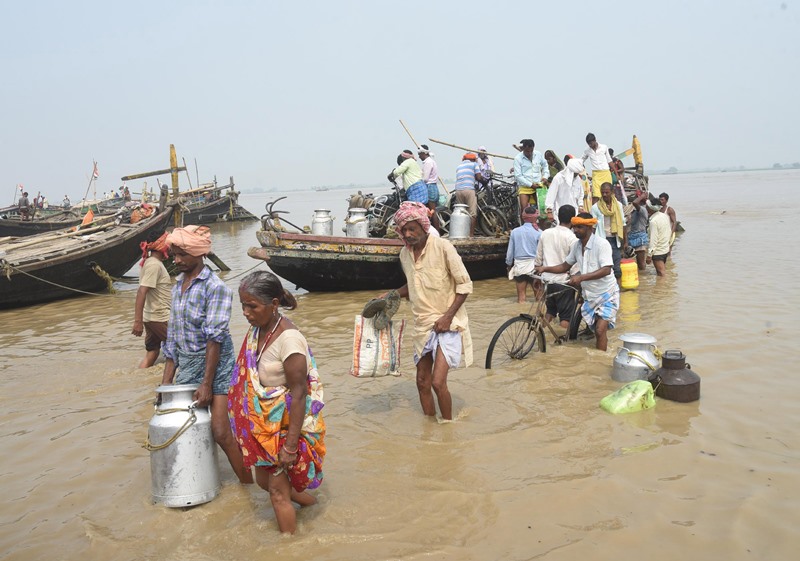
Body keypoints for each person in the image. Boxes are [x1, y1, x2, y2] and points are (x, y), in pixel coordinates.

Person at [228, 271, 326, 534]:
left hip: (284, 427)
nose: (246, 313)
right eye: (243, 305)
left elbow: (299, 392)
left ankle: (290, 547)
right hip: (262, 428)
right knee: (263, 482)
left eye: (252, 306)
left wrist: (291, 446)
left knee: (277, 494)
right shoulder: (258, 331)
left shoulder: (289, 339)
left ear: (273, 304)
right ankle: (312, 504)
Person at [160, 225, 252, 484]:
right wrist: (165, 385)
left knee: (220, 431)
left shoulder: (216, 288)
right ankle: (196, 482)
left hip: (216, 365)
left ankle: (248, 486)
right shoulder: (177, 286)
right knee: (183, 427)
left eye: (181, 255)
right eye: (173, 255)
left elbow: (215, 339)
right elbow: (173, 339)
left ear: (198, 254)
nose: (176, 261)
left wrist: (206, 384)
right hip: (187, 363)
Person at [390, 201, 473, 420]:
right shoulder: (404, 255)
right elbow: (414, 284)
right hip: (422, 323)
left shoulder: (443, 247)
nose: (408, 234)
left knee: (437, 382)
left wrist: (447, 317)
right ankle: (429, 427)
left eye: (412, 229)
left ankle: (448, 427)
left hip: (448, 323)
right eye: (404, 230)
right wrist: (390, 296)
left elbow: (465, 285)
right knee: (421, 382)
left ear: (424, 227)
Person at [535, 212, 619, 351]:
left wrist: (581, 278)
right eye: (574, 227)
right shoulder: (576, 246)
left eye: (579, 227)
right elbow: (564, 266)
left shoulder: (601, 244)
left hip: (606, 294)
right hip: (589, 294)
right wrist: (544, 268)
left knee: (599, 330)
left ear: (590, 228)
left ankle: (600, 360)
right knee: (595, 328)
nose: (575, 230)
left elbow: (606, 270)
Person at [132, 231, 172, 368]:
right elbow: (141, 292)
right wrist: (137, 321)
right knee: (182, 348)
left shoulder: (150, 263)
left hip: (151, 317)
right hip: (159, 317)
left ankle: (141, 377)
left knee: (153, 351)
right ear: (162, 245)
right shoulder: (154, 265)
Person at [535, 205, 579, 329]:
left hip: (547, 280)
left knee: (550, 311)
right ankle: (563, 345)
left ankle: (542, 335)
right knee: (566, 317)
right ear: (573, 219)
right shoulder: (572, 238)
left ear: (558, 217)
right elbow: (575, 265)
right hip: (563, 282)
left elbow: (538, 258)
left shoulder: (545, 233)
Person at [591, 182, 627, 286]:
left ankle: (618, 291)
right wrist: (591, 243)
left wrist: (625, 242)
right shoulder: (596, 208)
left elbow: (623, 224)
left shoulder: (618, 205)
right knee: (604, 267)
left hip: (615, 240)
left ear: (612, 192)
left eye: (607, 192)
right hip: (602, 240)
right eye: (603, 193)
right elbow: (593, 226)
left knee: (617, 269)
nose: (605, 195)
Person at [506, 206, 542, 303]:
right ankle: (539, 317)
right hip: (534, 266)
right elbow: (542, 252)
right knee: (539, 297)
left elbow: (510, 252)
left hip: (520, 266)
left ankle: (521, 316)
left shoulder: (515, 232)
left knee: (521, 299)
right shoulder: (539, 233)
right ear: (535, 217)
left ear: (523, 217)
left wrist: (509, 265)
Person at [513, 139, 549, 215]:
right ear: (523, 149)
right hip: (525, 186)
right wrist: (531, 185)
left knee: (542, 210)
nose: (529, 153)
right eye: (527, 151)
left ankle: (542, 226)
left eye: (531, 151)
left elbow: (545, 166)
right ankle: (525, 226)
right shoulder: (518, 159)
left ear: (533, 148)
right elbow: (518, 176)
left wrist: (545, 176)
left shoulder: (538, 154)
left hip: (538, 185)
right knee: (524, 210)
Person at [545, 157, 585, 223]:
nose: (576, 175)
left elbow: (581, 194)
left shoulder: (577, 179)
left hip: (574, 213)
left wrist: (580, 206)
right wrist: (549, 211)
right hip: (560, 213)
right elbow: (551, 195)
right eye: (575, 173)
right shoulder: (558, 178)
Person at [454, 153, 481, 237]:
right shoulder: (474, 164)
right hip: (469, 189)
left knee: (462, 212)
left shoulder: (459, 166)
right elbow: (479, 177)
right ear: (473, 159)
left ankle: (462, 233)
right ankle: (471, 235)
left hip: (458, 190)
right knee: (472, 214)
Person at [582, 133, 613, 204]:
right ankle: (594, 212)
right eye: (588, 144)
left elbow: (609, 160)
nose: (590, 145)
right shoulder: (587, 150)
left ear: (595, 140)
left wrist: (616, 174)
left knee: (608, 194)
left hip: (605, 173)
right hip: (596, 174)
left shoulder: (604, 147)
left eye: (591, 143)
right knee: (596, 195)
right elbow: (582, 160)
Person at [418, 145, 441, 232]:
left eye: (420, 154)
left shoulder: (428, 162)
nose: (419, 156)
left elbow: (425, 178)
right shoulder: (430, 161)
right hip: (432, 186)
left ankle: (437, 232)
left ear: (424, 153)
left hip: (430, 187)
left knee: (432, 212)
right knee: (431, 211)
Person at [646, 201, 672, 276]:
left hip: (658, 251)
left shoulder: (653, 221)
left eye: (647, 206)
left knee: (662, 274)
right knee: (660, 273)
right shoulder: (664, 216)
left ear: (650, 208)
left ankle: (663, 287)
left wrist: (649, 255)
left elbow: (653, 239)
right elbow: (669, 231)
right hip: (665, 249)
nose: (646, 208)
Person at [627, 192, 650, 271]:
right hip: (632, 237)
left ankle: (643, 278)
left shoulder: (643, 210)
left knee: (641, 263)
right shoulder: (633, 211)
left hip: (640, 238)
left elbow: (635, 202)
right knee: (630, 262)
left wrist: (642, 196)